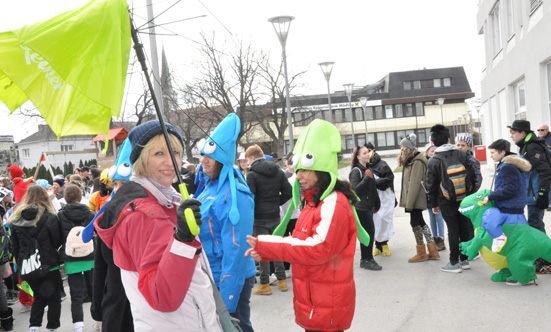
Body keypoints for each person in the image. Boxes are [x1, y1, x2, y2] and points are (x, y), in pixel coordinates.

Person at [95, 120, 221, 331]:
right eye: (159, 154)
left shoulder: (167, 201)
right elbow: (161, 295)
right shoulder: (143, 214)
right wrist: (183, 239)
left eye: (175, 153)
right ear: (141, 160)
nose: (171, 162)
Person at [245, 119, 360, 332]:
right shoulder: (313, 201)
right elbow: (300, 242)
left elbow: (318, 248)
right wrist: (266, 250)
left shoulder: (333, 202)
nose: (298, 176)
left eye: (305, 170)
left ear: (322, 169)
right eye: (297, 170)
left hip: (326, 305)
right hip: (315, 302)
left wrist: (268, 246)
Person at [195, 113, 256, 332]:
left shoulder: (236, 194)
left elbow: (237, 249)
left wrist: (228, 298)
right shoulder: (208, 188)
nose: (204, 160)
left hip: (229, 278)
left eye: (209, 156)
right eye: (203, 155)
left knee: (236, 327)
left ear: (223, 158)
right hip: (210, 277)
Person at [90, 138, 134, 332]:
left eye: (124, 183)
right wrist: (97, 305)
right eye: (115, 184)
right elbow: (100, 265)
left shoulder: (149, 215)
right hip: (115, 302)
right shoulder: (108, 216)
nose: (117, 189)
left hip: (142, 304)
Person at [10, 185, 63, 332]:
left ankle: (34, 327)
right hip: (50, 264)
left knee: (39, 297)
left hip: (28, 265)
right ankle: (52, 327)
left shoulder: (16, 220)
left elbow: (15, 247)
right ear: (45, 197)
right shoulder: (50, 217)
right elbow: (57, 241)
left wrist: (21, 263)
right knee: (54, 297)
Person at [426, 124, 476, 273]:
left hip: (446, 200)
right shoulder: (461, 154)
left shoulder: (434, 160)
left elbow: (431, 185)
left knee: (452, 230)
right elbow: (472, 176)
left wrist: (433, 203)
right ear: (448, 139)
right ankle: (465, 259)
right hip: (464, 198)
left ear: (433, 143)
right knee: (465, 228)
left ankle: (454, 262)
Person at [245, 144, 292, 295]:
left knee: (262, 249)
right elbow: (288, 191)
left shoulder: (251, 174)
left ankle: (264, 283)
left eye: (247, 159)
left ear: (252, 157)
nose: (247, 163)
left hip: (258, 217)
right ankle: (282, 281)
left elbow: (250, 198)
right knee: (276, 247)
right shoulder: (277, 170)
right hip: (274, 214)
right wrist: (276, 202)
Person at [508, 119, 551, 274]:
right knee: (534, 225)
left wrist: (542, 194)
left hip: (536, 194)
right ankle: (542, 257)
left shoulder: (532, 146)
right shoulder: (527, 145)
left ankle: (547, 259)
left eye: (514, 133)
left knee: (536, 225)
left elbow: (545, 171)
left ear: (523, 133)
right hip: (531, 193)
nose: (511, 136)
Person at [58, 185, 95, 332]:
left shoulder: (60, 215)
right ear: (80, 197)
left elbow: (58, 237)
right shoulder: (90, 213)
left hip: (71, 257)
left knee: (75, 294)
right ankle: (101, 320)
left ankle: (78, 326)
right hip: (90, 256)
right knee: (95, 291)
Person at [398, 134, 440, 263]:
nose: (401, 149)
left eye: (403, 147)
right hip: (413, 198)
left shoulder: (416, 161)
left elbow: (415, 184)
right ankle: (433, 251)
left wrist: (409, 203)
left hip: (415, 198)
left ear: (409, 148)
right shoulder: (411, 160)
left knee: (415, 223)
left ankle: (421, 253)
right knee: (420, 222)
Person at [349, 144, 382, 271]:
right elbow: (355, 190)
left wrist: (376, 203)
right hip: (361, 208)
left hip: (368, 207)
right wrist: (367, 178)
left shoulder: (367, 169)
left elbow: (373, 188)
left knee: (370, 233)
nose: (367, 154)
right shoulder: (356, 171)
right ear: (358, 157)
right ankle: (366, 259)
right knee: (368, 234)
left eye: (367, 152)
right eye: (364, 153)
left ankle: (368, 258)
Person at [365, 142, 395, 257]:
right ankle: (377, 245)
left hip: (385, 197)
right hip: (373, 198)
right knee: (375, 220)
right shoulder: (365, 165)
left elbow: (390, 178)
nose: (368, 154)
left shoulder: (382, 164)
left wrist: (376, 182)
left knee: (384, 219)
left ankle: (384, 244)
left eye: (369, 151)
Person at [424, 143, 446, 251]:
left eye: (435, 151)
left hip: (439, 194)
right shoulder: (425, 164)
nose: (433, 153)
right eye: (431, 151)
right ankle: (434, 238)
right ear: (427, 153)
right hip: (429, 194)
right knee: (431, 218)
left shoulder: (440, 163)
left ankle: (441, 239)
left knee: (439, 217)